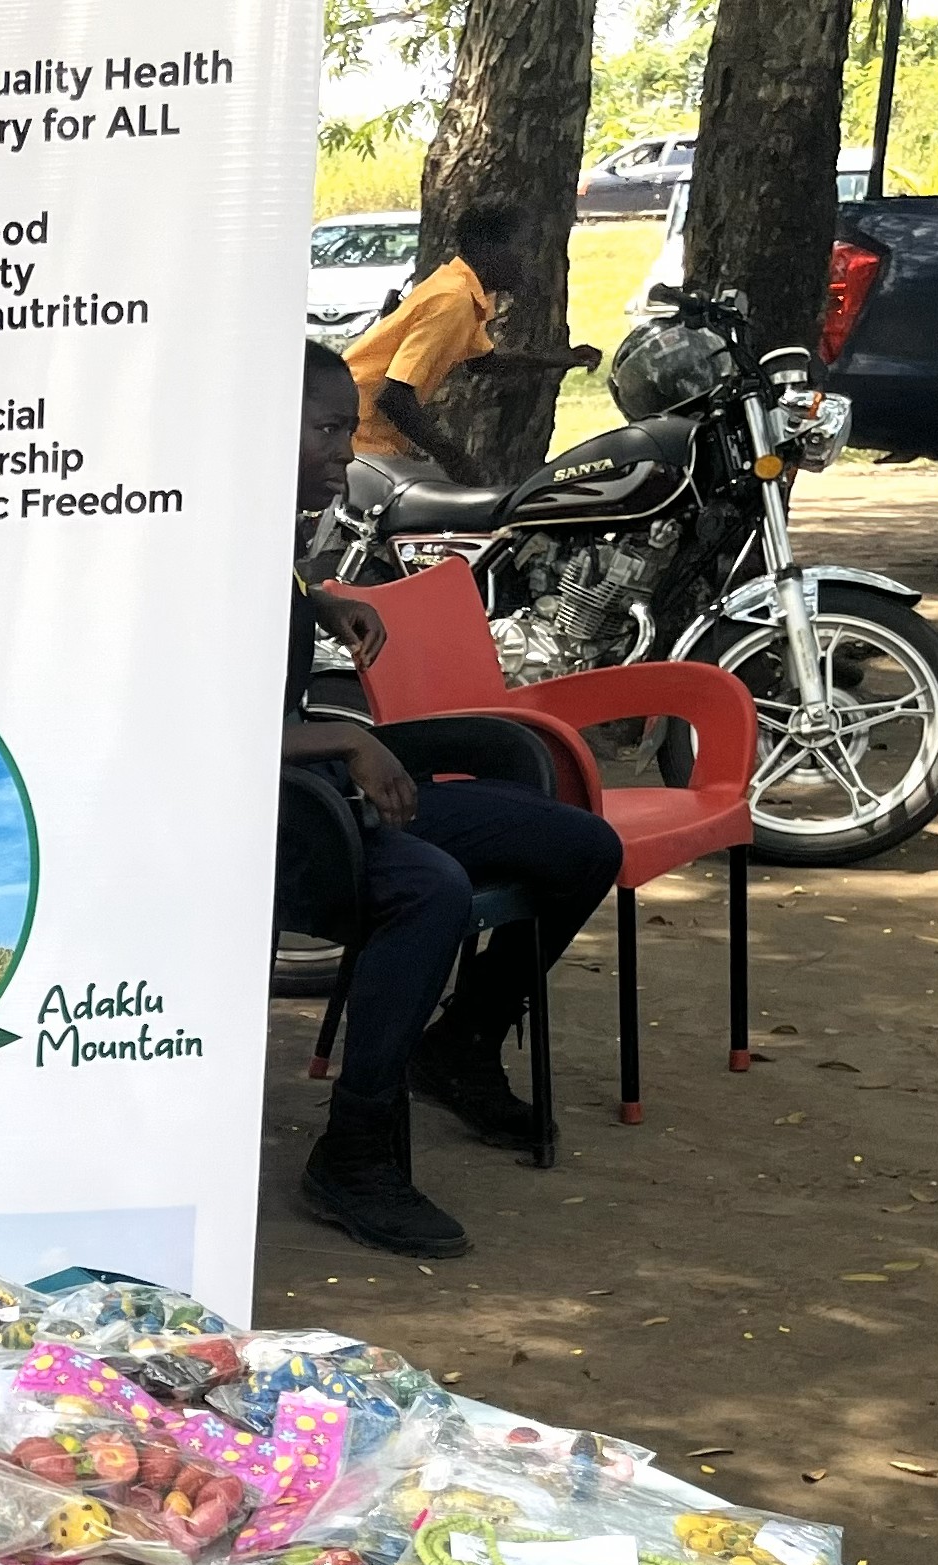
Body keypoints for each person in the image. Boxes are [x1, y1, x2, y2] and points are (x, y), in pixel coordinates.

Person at [285, 340, 623, 1255]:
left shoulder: (273, 535)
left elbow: (279, 607)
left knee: (583, 846)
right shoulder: (198, 546)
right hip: (271, 818)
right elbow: (197, 736)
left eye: (347, 429)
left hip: (321, 786)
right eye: (325, 430)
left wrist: (316, 600)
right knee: (426, 887)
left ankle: (461, 1047)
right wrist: (346, 739)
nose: (344, 452)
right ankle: (354, 1151)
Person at [345, 200, 602, 486]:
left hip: (364, 427)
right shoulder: (452, 301)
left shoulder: (464, 290)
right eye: (521, 248)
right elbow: (393, 397)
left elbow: (485, 362)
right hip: (353, 430)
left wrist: (562, 358)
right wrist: (456, 461)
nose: (529, 261)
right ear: (487, 251)